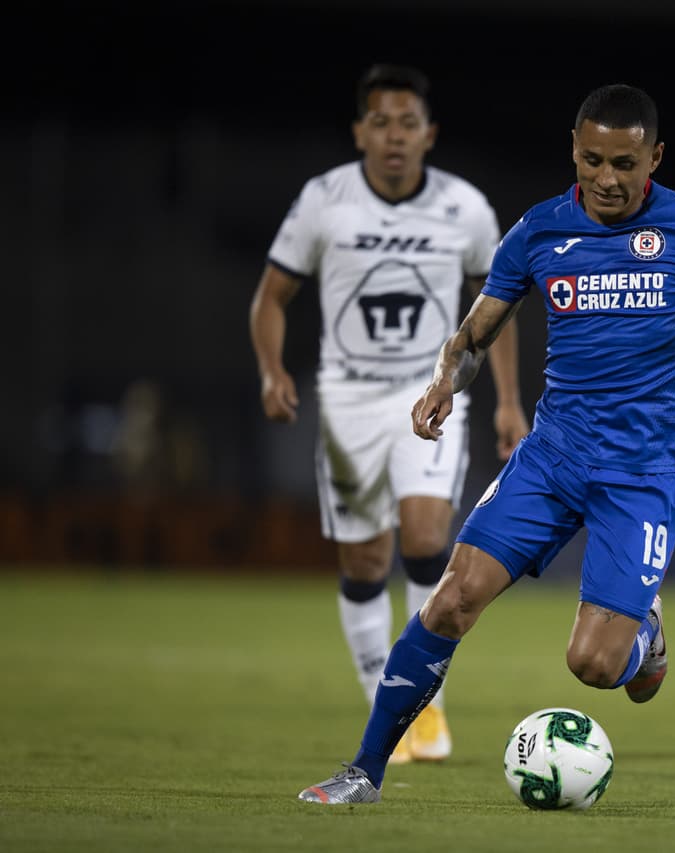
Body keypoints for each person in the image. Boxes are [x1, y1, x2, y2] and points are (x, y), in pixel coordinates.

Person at [296, 82, 675, 804]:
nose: (606, 178)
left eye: (624, 163)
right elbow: (475, 331)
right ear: (574, 152)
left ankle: (644, 637)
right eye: (591, 159)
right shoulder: (540, 231)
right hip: (553, 456)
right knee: (450, 600)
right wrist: (446, 379)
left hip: (645, 470)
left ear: (654, 157)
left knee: (597, 668)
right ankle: (364, 772)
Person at [249, 64, 527, 766]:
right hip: (346, 398)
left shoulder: (463, 207)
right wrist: (273, 369)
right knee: (365, 558)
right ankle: (383, 694)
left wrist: (508, 400)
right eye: (381, 122)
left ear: (428, 134)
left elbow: (494, 308)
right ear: (360, 131)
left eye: (408, 123)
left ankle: (421, 704)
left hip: (429, 388)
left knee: (428, 536)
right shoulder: (325, 200)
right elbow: (271, 297)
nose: (394, 136)